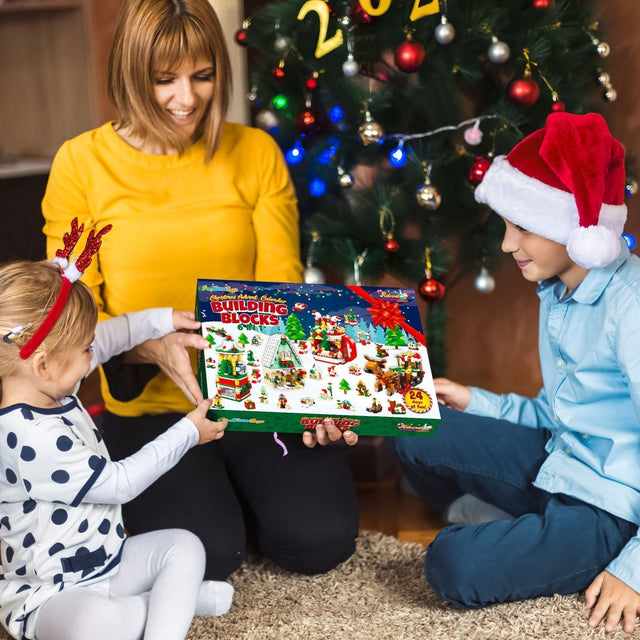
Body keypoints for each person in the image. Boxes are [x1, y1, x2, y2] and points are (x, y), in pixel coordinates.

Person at [41, 0, 359, 583]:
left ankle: (241, 492)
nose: (186, 99)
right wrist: (148, 347)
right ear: (131, 75)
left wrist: (316, 394)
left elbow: (285, 295)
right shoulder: (81, 165)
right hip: (149, 409)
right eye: (164, 80)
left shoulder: (255, 154)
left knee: (320, 543)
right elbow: (72, 318)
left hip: (255, 397)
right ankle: (224, 504)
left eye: (203, 75)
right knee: (210, 557)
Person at [393, 112, 640, 633]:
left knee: (452, 564)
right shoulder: (558, 288)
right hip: (560, 459)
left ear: (576, 227)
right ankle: (531, 530)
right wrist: (476, 401)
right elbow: (558, 411)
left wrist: (634, 569)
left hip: (614, 508)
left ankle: (556, 541)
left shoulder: (631, 306)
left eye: (522, 226)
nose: (507, 245)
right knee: (415, 424)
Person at [0, 224, 233, 640]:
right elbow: (120, 484)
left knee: (184, 545)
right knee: (98, 625)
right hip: (51, 594)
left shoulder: (48, 380)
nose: (95, 354)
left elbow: (108, 338)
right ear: (43, 364)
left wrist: (160, 320)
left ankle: (165, 606)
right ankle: (173, 603)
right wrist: (187, 433)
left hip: (110, 561)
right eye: (85, 350)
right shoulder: (26, 436)